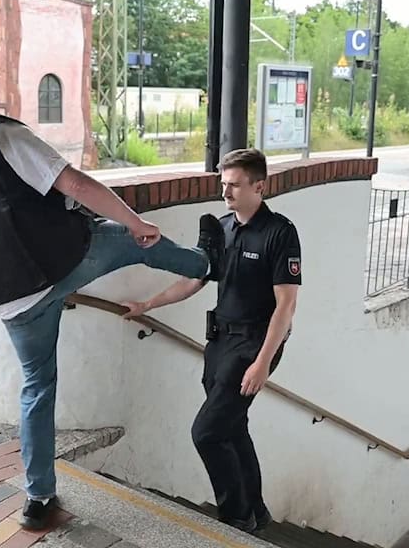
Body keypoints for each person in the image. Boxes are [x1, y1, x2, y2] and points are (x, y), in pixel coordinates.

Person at [0, 57, 226, 530]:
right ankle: (206, 262)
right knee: (131, 243)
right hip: (58, 263)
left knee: (37, 388)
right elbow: (73, 182)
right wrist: (134, 221)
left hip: (8, 299)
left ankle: (38, 499)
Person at [123, 148, 301, 533]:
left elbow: (286, 306)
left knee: (206, 432)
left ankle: (235, 519)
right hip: (219, 345)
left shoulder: (280, 232)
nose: (226, 193)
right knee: (233, 428)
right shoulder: (220, 228)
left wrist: (263, 362)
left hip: (253, 346)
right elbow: (193, 280)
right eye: (223, 184)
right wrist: (148, 304)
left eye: (234, 185)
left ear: (259, 186)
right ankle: (258, 512)